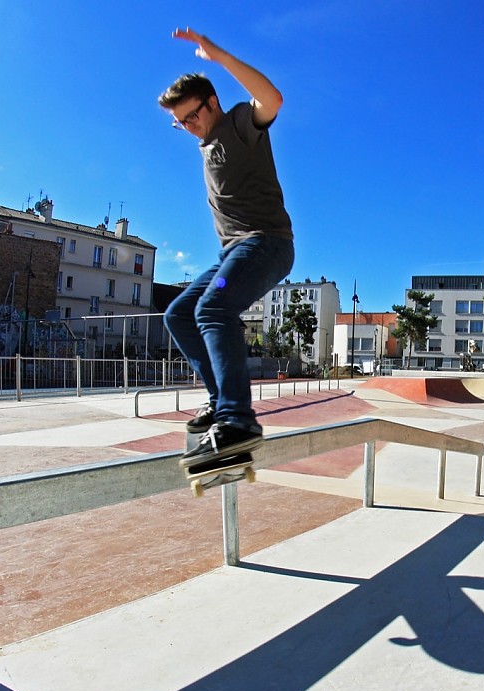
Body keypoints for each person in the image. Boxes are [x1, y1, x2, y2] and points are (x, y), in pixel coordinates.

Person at [158, 27, 294, 469]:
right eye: (179, 124)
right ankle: (222, 403)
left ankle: (239, 421)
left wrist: (220, 59)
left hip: (266, 242)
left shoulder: (237, 124)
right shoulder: (205, 142)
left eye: (191, 118)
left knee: (213, 310)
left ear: (211, 103)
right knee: (179, 313)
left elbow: (271, 100)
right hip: (232, 253)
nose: (187, 128)